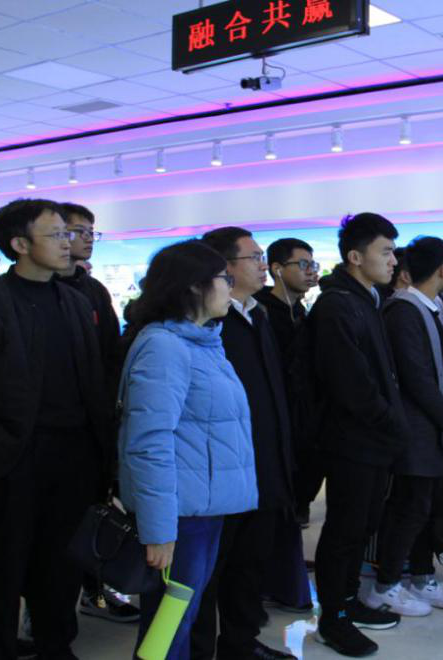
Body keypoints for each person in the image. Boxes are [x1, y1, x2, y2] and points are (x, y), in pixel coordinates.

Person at [0, 199, 113, 660]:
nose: (68, 243)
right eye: (56, 235)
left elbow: (94, 381)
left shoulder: (75, 301)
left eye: (69, 234)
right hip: (9, 459)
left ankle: (56, 646)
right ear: (19, 244)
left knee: (61, 565)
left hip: (74, 458)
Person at [117, 240, 258, 660]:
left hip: (203, 509)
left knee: (181, 619)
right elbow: (149, 444)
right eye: (224, 278)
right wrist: (159, 529)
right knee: (167, 628)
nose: (230, 287)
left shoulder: (202, 342)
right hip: (180, 516)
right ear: (194, 285)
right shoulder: (165, 347)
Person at [190, 228, 295, 660]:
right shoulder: (204, 323)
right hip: (221, 470)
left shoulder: (257, 314)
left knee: (251, 562)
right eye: (254, 257)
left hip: (264, 462)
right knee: (209, 570)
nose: (262, 265)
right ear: (224, 267)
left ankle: (240, 643)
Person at [310, 213, 408, 657]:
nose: (393, 260)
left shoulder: (365, 298)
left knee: (361, 527)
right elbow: (350, 384)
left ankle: (348, 602)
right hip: (352, 440)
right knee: (344, 530)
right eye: (385, 252)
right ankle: (333, 618)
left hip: (373, 439)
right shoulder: (336, 305)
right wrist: (391, 420)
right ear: (354, 256)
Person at [364, 237, 443, 618]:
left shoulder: (429, 306)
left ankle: (421, 577)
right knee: (409, 509)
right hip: (415, 430)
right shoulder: (404, 310)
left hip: (430, 427)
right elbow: (415, 376)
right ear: (442, 269)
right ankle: (386, 586)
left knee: (423, 509)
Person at [55, 202, 137, 624]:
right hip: (47, 432)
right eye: (76, 230)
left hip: (94, 425)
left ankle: (94, 592)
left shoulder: (94, 290)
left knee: (94, 515)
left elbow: (110, 355)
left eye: (91, 231)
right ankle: (45, 607)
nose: (87, 238)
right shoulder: (21, 294)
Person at [256, 239, 318, 529]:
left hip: (304, 418)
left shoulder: (302, 312)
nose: (311, 271)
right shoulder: (262, 313)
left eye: (312, 264)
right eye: (303, 264)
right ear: (277, 269)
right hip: (276, 419)